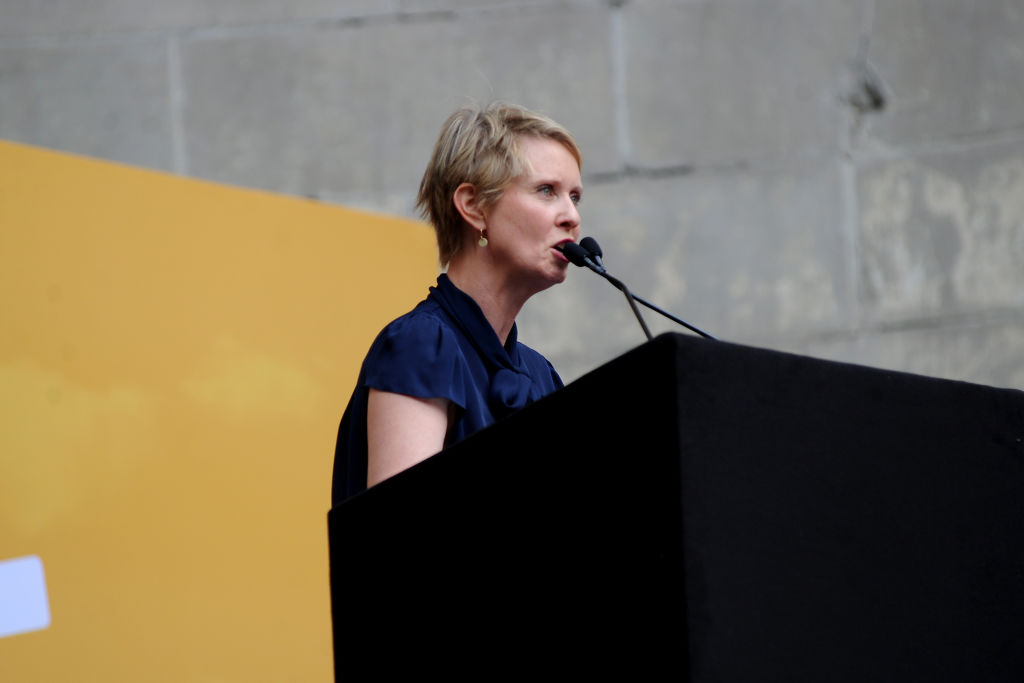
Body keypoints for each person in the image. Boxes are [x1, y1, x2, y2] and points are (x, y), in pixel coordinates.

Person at [331, 101, 583, 505]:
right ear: (473, 206)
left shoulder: (541, 376)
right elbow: (397, 539)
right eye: (547, 191)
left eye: (575, 197)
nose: (571, 216)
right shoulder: (421, 346)